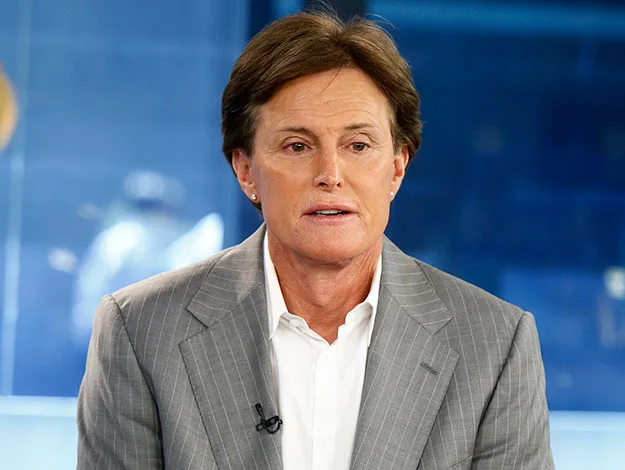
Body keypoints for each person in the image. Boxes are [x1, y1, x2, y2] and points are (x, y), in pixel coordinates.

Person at [77, 11, 554, 469]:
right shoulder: (140, 331)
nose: (330, 175)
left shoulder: (495, 345)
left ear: (396, 168)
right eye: (298, 146)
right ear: (245, 170)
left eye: (358, 145)